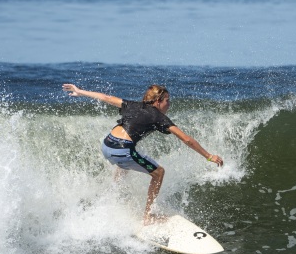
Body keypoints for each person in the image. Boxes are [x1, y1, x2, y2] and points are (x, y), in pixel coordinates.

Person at [62, 83, 223, 225]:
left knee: (124, 164)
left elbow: (106, 97)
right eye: (167, 100)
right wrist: (209, 156)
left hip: (107, 145)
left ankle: (114, 193)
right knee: (159, 172)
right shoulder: (159, 117)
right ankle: (148, 216)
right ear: (158, 101)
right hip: (121, 149)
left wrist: (80, 91)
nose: (169, 104)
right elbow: (187, 140)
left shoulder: (132, 105)